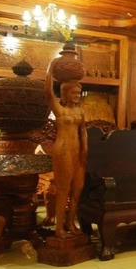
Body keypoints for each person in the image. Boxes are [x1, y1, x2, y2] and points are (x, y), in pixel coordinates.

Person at [45, 68, 88, 237]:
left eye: (79, 93)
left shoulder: (80, 111)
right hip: (63, 150)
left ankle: (70, 222)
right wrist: (51, 68)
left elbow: (83, 132)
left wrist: (85, 148)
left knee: (78, 188)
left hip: (77, 150)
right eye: (73, 93)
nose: (77, 95)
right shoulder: (60, 110)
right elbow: (48, 93)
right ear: (65, 94)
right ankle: (59, 228)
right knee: (63, 189)